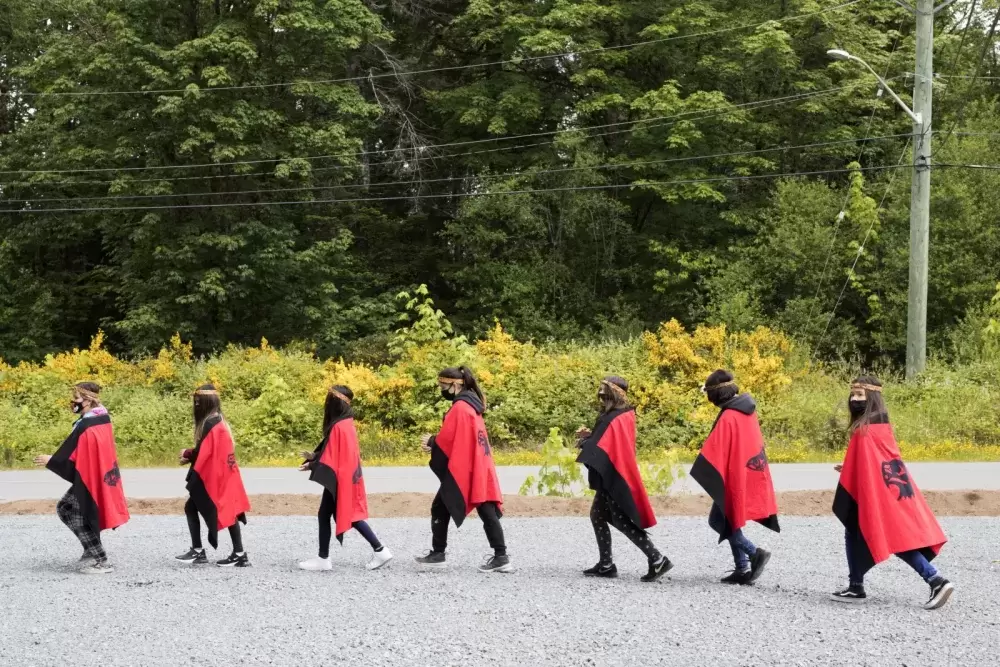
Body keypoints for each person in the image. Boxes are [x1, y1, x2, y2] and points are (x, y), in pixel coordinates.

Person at [831, 376, 954, 609]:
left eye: (860, 395)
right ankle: (856, 585)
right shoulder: (881, 425)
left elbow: (873, 464)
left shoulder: (864, 430)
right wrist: (850, 468)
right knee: (858, 531)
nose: (855, 399)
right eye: (853, 395)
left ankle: (935, 579)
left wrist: (854, 470)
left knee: (891, 537)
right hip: (890, 490)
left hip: (880, 495)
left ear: (872, 398)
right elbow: (874, 462)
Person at [575, 376, 673, 582]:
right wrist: (590, 439)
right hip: (612, 471)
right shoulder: (622, 415)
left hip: (613, 473)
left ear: (613, 394)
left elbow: (604, 448)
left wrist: (585, 443)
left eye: (604, 393)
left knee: (620, 519)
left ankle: (657, 559)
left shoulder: (614, 418)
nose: (601, 397)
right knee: (598, 515)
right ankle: (606, 564)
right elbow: (605, 443)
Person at [414, 366, 511, 573]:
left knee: (482, 511)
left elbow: (450, 439)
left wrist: (433, 441)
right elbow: (461, 439)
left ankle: (500, 557)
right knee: (446, 507)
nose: (441, 389)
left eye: (443, 385)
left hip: (468, 469)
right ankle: (440, 553)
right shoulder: (471, 405)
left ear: (455, 384)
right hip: (477, 466)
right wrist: (436, 442)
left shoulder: (460, 407)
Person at [690, 370, 779, 585]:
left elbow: (717, 449)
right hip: (745, 473)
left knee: (717, 520)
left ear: (716, 395)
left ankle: (754, 552)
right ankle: (742, 569)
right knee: (730, 519)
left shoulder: (730, 415)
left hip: (733, 476)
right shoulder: (746, 410)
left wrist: (704, 469)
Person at [33, 382, 130, 575]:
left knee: (78, 516)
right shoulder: (102, 416)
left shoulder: (88, 424)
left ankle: (101, 560)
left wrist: (52, 460)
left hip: (89, 478)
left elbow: (77, 455)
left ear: (87, 400)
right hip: (97, 474)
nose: (73, 401)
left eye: (76, 398)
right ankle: (90, 548)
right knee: (65, 508)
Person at [298, 385, 392, 571]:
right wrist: (314, 460)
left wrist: (314, 464)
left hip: (340, 478)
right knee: (336, 514)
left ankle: (325, 559)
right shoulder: (346, 423)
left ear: (334, 403)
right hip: (344, 476)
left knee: (341, 514)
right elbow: (333, 454)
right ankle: (378, 550)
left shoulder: (340, 426)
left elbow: (332, 459)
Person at [174, 384, 252, 568]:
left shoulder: (211, 422)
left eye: (198, 401)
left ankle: (200, 551)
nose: (196, 404)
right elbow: (208, 451)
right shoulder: (218, 419)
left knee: (196, 508)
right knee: (224, 510)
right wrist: (191, 455)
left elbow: (204, 451)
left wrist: (187, 453)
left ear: (206, 402)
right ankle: (238, 554)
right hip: (226, 474)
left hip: (216, 476)